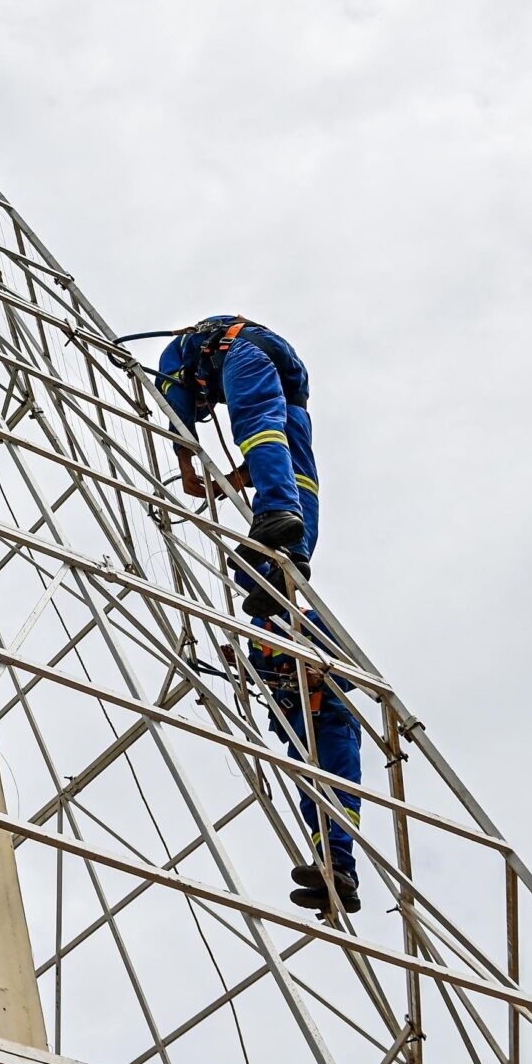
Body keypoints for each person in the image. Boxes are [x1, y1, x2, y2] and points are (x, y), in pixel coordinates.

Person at [156, 316, 361, 919]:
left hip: (244, 352)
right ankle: (336, 865)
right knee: (292, 470)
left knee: (259, 430)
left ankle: (278, 528)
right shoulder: (299, 702)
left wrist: (190, 469)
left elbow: (177, 411)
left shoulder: (186, 356)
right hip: (283, 377)